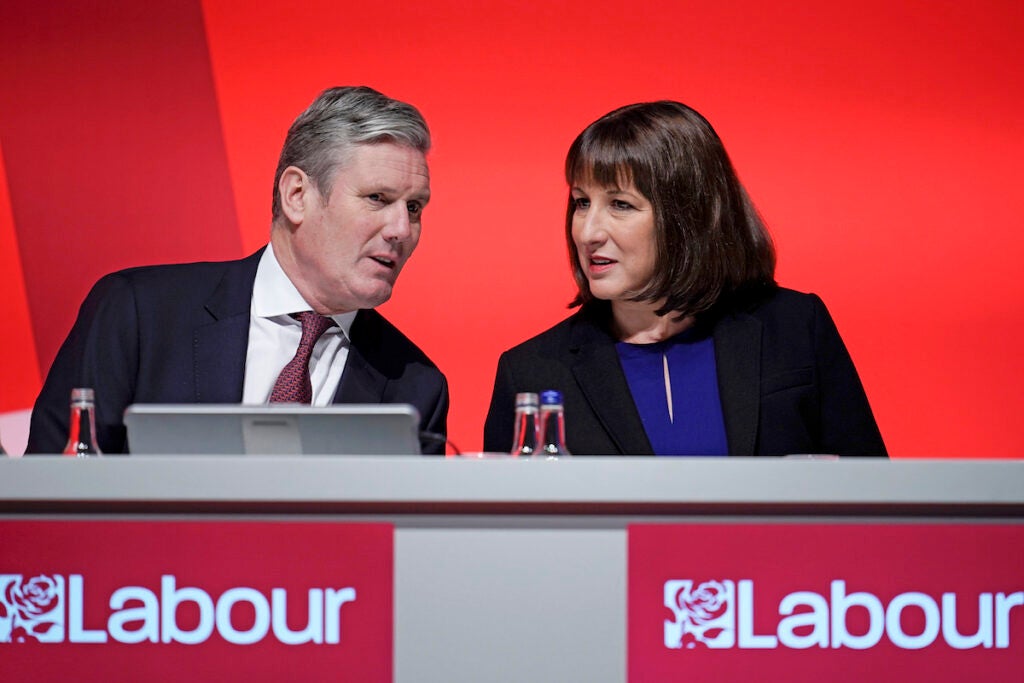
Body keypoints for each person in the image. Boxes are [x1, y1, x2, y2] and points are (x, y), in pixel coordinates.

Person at [27, 86, 448, 454]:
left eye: (414, 207)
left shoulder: (416, 388)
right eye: (377, 198)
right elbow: (50, 495)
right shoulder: (139, 314)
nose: (401, 230)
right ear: (297, 195)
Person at [483, 101, 886, 457]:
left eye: (620, 204)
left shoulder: (796, 328)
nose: (588, 232)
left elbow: (875, 506)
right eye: (581, 202)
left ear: (689, 217)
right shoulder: (531, 373)